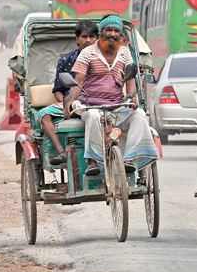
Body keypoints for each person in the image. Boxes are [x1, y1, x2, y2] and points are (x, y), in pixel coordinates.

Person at [66, 15, 158, 176]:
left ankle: (130, 158)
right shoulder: (87, 53)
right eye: (109, 30)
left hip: (117, 105)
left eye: (116, 31)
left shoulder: (124, 53)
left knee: (140, 114)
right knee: (93, 115)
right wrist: (69, 102)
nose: (113, 34)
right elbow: (78, 81)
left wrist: (132, 97)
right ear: (101, 32)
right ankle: (93, 161)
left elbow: (130, 80)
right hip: (91, 106)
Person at [39, 20, 98, 166]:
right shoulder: (66, 60)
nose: (88, 40)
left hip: (95, 101)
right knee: (43, 115)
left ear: (97, 39)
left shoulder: (103, 59)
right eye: (84, 37)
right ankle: (62, 153)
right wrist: (66, 102)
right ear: (77, 39)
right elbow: (58, 89)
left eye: (92, 37)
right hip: (70, 102)